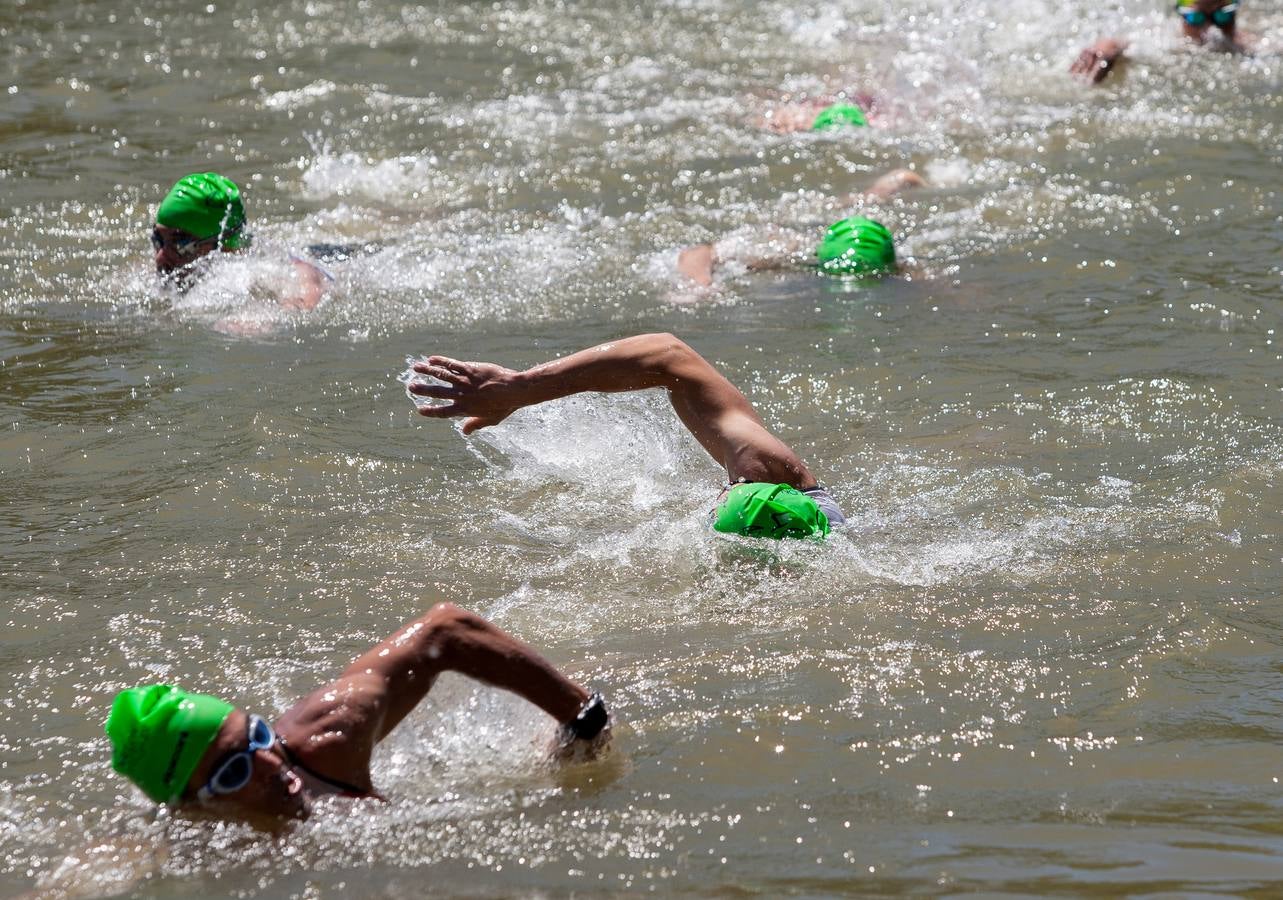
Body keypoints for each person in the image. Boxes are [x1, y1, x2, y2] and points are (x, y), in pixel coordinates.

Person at [104, 603, 610, 823]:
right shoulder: (194, 839)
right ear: (192, 804)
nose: (272, 767)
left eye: (257, 736)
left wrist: (581, 719)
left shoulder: (328, 739)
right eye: (236, 770)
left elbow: (446, 631)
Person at [406, 333, 843, 539]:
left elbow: (667, 353)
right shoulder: (774, 476)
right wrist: (521, 389)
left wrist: (522, 388)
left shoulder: (765, 471)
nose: (719, 494)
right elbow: (667, 357)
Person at [151, 172, 330, 310]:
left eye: (181, 244)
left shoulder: (279, 270)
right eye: (158, 240)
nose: (160, 257)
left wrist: (260, 316)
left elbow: (304, 302)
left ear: (224, 245)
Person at [1071, 0, 1251, 83]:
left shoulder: (1248, 44)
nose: (1209, 29)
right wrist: (1105, 49)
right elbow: (1123, 41)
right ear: (1180, 13)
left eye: (1223, 16)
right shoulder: (1167, 38)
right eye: (1195, 18)